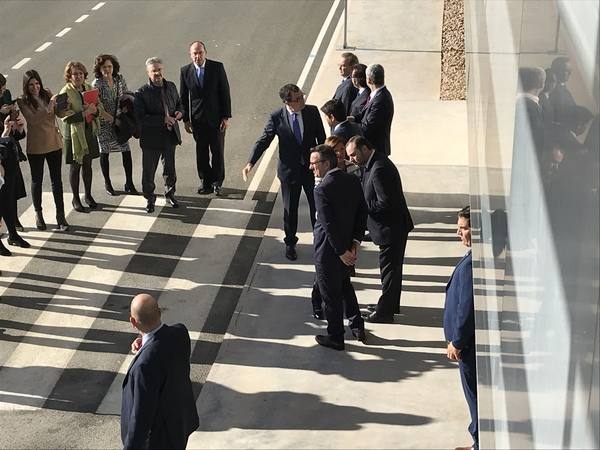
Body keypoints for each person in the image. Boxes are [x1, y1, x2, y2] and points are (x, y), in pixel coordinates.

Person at [243, 83, 325, 261]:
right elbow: (264, 140)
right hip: (289, 171)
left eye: (302, 96)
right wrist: (251, 162)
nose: (302, 100)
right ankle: (290, 243)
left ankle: (320, 241)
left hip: (312, 169)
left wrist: (326, 164)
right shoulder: (277, 117)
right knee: (290, 209)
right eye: (298, 99)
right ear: (287, 102)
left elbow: (322, 140)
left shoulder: (312, 112)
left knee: (317, 207)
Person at [346, 136, 413, 323]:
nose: (351, 159)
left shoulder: (379, 169)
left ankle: (385, 312)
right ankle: (389, 305)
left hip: (391, 230)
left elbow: (385, 203)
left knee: (390, 272)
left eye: (353, 155)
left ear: (365, 149)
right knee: (390, 271)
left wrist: (362, 207)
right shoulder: (372, 163)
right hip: (389, 229)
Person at [121, 293, 199, 450]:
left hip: (159, 439)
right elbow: (162, 344)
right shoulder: (180, 334)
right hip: (180, 424)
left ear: (133, 322)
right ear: (160, 312)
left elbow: (141, 416)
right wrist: (144, 342)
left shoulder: (144, 366)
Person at [310, 145, 367, 350]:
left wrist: (341, 252)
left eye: (314, 163)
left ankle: (335, 336)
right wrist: (354, 244)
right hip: (348, 248)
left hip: (328, 251)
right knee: (344, 286)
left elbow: (328, 224)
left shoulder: (321, 189)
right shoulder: (352, 180)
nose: (311, 167)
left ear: (326, 163)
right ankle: (357, 324)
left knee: (330, 295)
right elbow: (362, 212)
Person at [443, 206, 477, 450]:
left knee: (475, 396)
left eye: (463, 228)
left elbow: (467, 308)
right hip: (466, 344)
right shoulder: (472, 258)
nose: (458, 233)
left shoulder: (470, 267)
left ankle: (480, 443)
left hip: (467, 347)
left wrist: (457, 341)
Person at [17, 70, 69, 231]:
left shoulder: (47, 93)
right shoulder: (22, 100)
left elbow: (59, 114)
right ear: (26, 86)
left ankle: (60, 216)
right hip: (36, 146)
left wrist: (62, 105)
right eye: (31, 84)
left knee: (57, 181)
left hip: (54, 143)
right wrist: (49, 106)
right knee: (37, 180)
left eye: (37, 83)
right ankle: (38, 214)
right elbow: (32, 120)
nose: (35, 87)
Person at [180, 41, 231, 196]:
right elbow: (183, 97)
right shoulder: (185, 71)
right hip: (198, 120)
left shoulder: (217, 68)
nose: (198, 56)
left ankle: (217, 182)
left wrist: (226, 116)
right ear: (190, 55)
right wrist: (186, 119)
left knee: (217, 151)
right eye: (194, 53)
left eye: (200, 52)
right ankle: (205, 181)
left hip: (216, 119)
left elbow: (225, 92)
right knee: (201, 152)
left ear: (205, 53)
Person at [135, 57, 183, 213]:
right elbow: (141, 117)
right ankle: (150, 198)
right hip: (151, 138)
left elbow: (179, 104)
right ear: (148, 73)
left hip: (170, 135)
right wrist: (162, 119)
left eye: (159, 69)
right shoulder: (142, 92)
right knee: (149, 171)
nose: (157, 73)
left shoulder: (171, 86)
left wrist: (179, 113)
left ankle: (170, 193)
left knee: (170, 169)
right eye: (154, 70)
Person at [59, 61, 102, 212]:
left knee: (88, 165)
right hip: (74, 135)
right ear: (69, 76)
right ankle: (76, 198)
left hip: (89, 131)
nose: (78, 76)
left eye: (80, 73)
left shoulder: (90, 88)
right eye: (75, 74)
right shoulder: (64, 92)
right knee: (75, 167)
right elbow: (64, 116)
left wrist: (94, 110)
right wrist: (84, 113)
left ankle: (88, 195)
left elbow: (99, 108)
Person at [92, 54, 138, 196]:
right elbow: (96, 107)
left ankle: (129, 183)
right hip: (105, 122)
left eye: (109, 66)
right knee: (104, 152)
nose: (107, 69)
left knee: (126, 150)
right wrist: (111, 119)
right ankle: (108, 183)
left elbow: (125, 95)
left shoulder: (119, 79)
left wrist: (125, 111)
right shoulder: (96, 84)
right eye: (104, 67)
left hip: (119, 121)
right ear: (99, 68)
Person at [1, 75, 27, 232]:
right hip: (0, 156)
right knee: (2, 192)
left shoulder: (6, 97)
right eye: (0, 90)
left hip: (10, 151)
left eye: (4, 88)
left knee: (13, 189)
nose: (3, 92)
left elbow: (15, 133)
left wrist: (16, 120)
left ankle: (14, 221)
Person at [0, 116, 30, 255]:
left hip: (8, 163)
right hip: (3, 164)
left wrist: (7, 131)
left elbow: (9, 138)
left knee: (7, 203)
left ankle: (13, 235)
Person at [354, 64, 394, 155]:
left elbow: (369, 127)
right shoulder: (377, 95)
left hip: (376, 149)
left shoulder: (381, 99)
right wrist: (353, 118)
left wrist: (349, 127)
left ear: (369, 80)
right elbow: (365, 114)